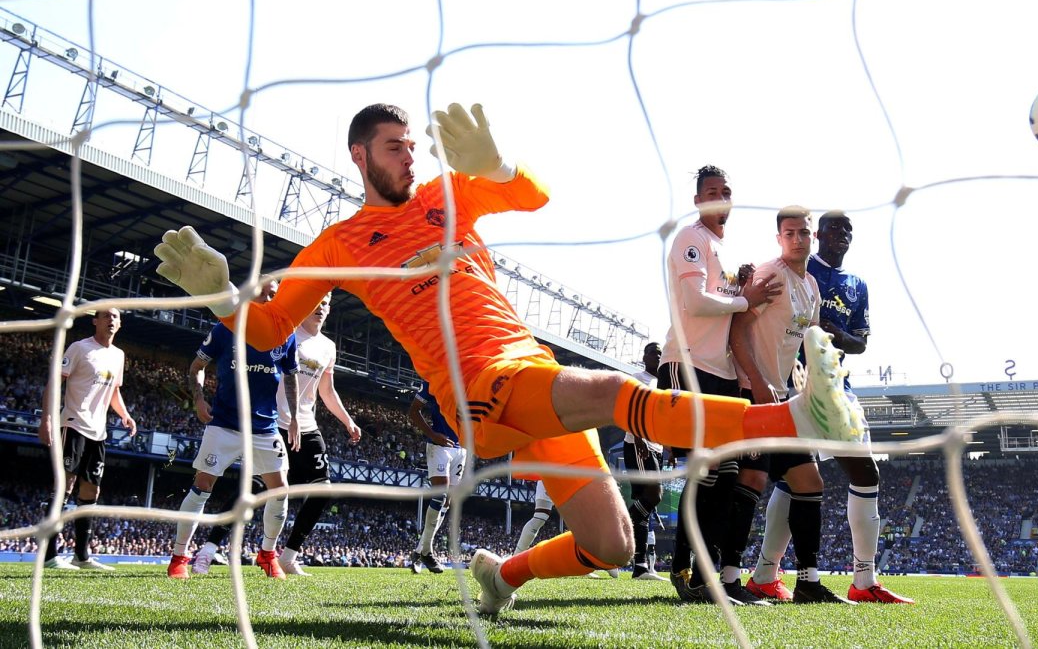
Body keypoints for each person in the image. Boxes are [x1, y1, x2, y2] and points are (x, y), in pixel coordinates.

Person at [154, 102, 861, 615]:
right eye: (394, 146)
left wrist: (495, 165)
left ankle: (505, 574)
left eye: (411, 145)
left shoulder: (447, 195)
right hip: (479, 388)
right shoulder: (341, 243)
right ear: (360, 155)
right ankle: (792, 413)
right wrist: (221, 295)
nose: (410, 155)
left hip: (531, 367)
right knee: (616, 390)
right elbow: (270, 323)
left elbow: (533, 195)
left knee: (611, 544)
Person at [657, 164, 779, 605]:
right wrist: (748, 297)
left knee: (723, 476)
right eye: (711, 190)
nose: (719, 197)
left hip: (722, 373)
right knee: (709, 474)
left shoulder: (720, 249)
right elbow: (694, 300)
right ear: (698, 200)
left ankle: (702, 573)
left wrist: (738, 283)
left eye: (725, 191)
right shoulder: (690, 239)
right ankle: (688, 570)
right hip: (689, 367)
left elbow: (721, 299)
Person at [727, 206, 853, 604]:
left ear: (811, 237)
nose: (797, 239)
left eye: (803, 233)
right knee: (751, 479)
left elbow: (806, 345)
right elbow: (738, 330)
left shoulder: (812, 287)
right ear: (779, 237)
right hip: (753, 393)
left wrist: (812, 391)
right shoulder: (770, 275)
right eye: (789, 233)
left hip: (784, 399)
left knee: (808, 482)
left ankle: (809, 582)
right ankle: (730, 578)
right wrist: (758, 385)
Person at [788, 209, 913, 604]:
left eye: (848, 229)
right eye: (834, 227)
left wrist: (834, 331)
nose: (842, 233)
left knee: (865, 470)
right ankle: (763, 573)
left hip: (838, 387)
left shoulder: (856, 285)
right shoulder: (799, 271)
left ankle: (864, 580)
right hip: (795, 381)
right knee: (791, 478)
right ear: (819, 235)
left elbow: (860, 343)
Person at [193, 294, 361, 576]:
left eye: (325, 303)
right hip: (273, 423)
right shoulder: (286, 334)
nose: (320, 308)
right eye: (315, 302)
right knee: (254, 489)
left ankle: (288, 555)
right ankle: (209, 549)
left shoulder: (328, 347)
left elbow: (326, 390)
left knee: (323, 489)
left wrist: (347, 420)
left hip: (306, 425)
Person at [167, 281, 299, 580]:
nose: (268, 297)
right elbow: (196, 366)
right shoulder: (226, 327)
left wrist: (292, 417)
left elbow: (290, 377)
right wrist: (199, 400)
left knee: (280, 491)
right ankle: (179, 557)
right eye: (263, 292)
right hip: (225, 424)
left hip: (265, 427)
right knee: (201, 487)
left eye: (273, 294)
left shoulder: (285, 332)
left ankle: (267, 554)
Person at [37, 308, 137, 570]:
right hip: (72, 423)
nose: (110, 320)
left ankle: (81, 556)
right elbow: (54, 383)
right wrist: (47, 419)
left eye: (115, 317)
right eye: (105, 316)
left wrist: (125, 415)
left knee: (91, 491)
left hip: (98, 431)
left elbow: (114, 390)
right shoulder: (79, 348)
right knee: (64, 487)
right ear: (95, 321)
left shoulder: (118, 356)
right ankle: (48, 556)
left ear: (120, 323)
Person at [408, 378, 463, 574]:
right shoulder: (433, 380)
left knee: (447, 502)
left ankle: (420, 551)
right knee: (439, 495)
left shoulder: (474, 381)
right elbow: (413, 411)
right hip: (439, 446)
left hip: (461, 449)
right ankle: (427, 552)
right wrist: (432, 435)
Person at [514, 480, 617, 579]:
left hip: (561, 475)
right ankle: (514, 560)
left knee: (543, 517)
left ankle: (590, 564)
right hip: (555, 475)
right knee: (541, 517)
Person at [625, 342, 666, 581]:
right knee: (654, 496)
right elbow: (629, 409)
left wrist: (667, 447)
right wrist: (638, 437)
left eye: (661, 354)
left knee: (645, 506)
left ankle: (640, 567)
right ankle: (623, 520)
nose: (658, 357)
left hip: (657, 446)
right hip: (639, 444)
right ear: (644, 357)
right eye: (654, 353)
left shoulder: (663, 383)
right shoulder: (638, 378)